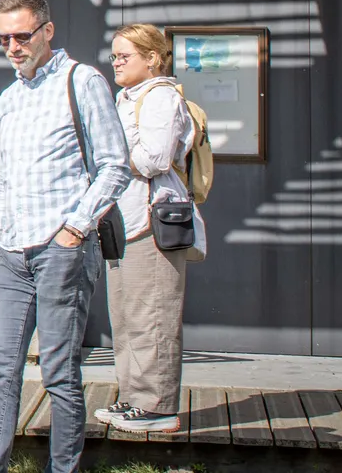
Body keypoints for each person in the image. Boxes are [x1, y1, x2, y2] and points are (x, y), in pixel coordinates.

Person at [0, 0, 130, 473]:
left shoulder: (81, 81)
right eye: (3, 38)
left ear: (47, 30)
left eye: (22, 35)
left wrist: (75, 229)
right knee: (0, 370)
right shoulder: (10, 98)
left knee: (60, 373)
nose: (12, 46)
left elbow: (114, 165)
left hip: (61, 247)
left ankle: (63, 469)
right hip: (12, 254)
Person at [94, 23, 205, 434]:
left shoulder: (160, 97)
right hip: (125, 220)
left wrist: (111, 155)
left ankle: (158, 406)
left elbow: (154, 159)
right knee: (125, 316)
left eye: (125, 55)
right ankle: (132, 398)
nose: (116, 62)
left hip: (153, 221)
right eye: (114, 56)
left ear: (152, 58)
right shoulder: (127, 99)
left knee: (153, 315)